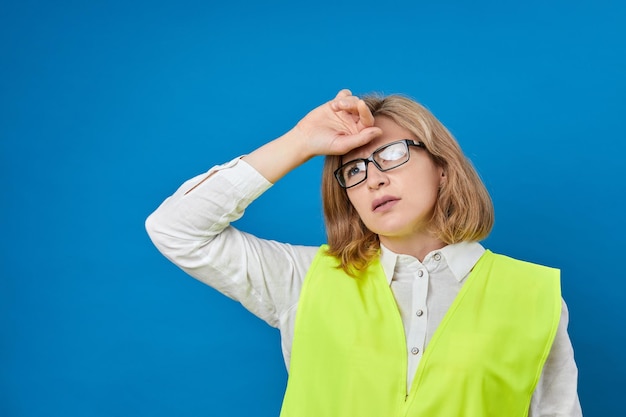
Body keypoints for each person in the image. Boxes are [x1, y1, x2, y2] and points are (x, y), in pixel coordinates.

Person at [145, 89, 583, 416]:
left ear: (443, 170)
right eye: (354, 169)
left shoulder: (534, 295)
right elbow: (176, 229)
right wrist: (300, 141)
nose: (373, 178)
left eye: (392, 154)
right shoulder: (303, 280)